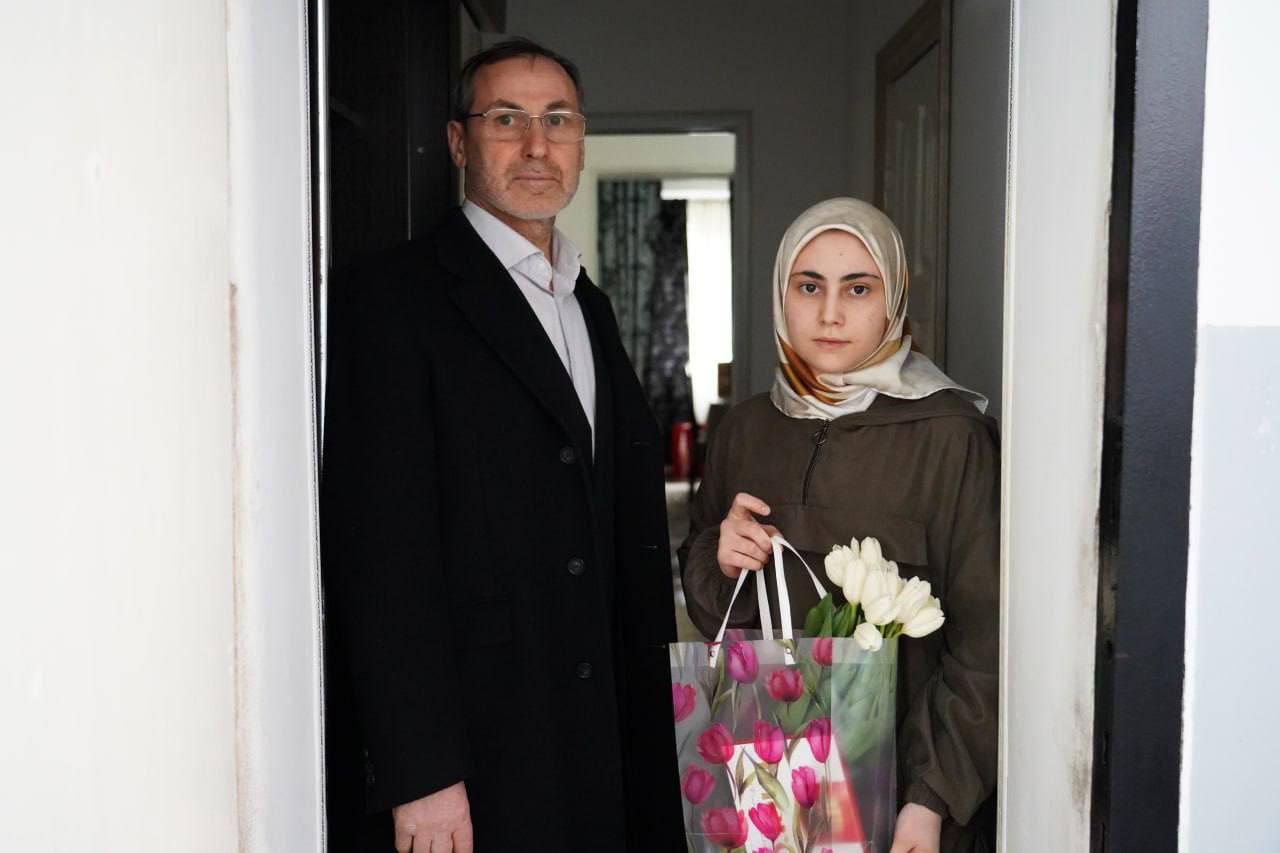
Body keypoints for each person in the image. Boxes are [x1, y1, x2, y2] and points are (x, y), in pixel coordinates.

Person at [321, 37, 682, 852]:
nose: (536, 145)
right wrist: (420, 770)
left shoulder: (589, 304)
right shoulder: (390, 300)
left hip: (602, 737)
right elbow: (379, 556)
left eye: (558, 120)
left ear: (581, 140)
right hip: (480, 751)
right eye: (506, 119)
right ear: (458, 142)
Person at [678, 198, 999, 853]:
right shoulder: (745, 428)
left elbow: (985, 641)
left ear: (894, 298)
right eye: (808, 286)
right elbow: (716, 618)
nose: (830, 313)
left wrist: (930, 799)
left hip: (903, 803)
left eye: (858, 288)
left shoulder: (950, 435)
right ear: (781, 295)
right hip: (766, 793)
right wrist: (721, 559)